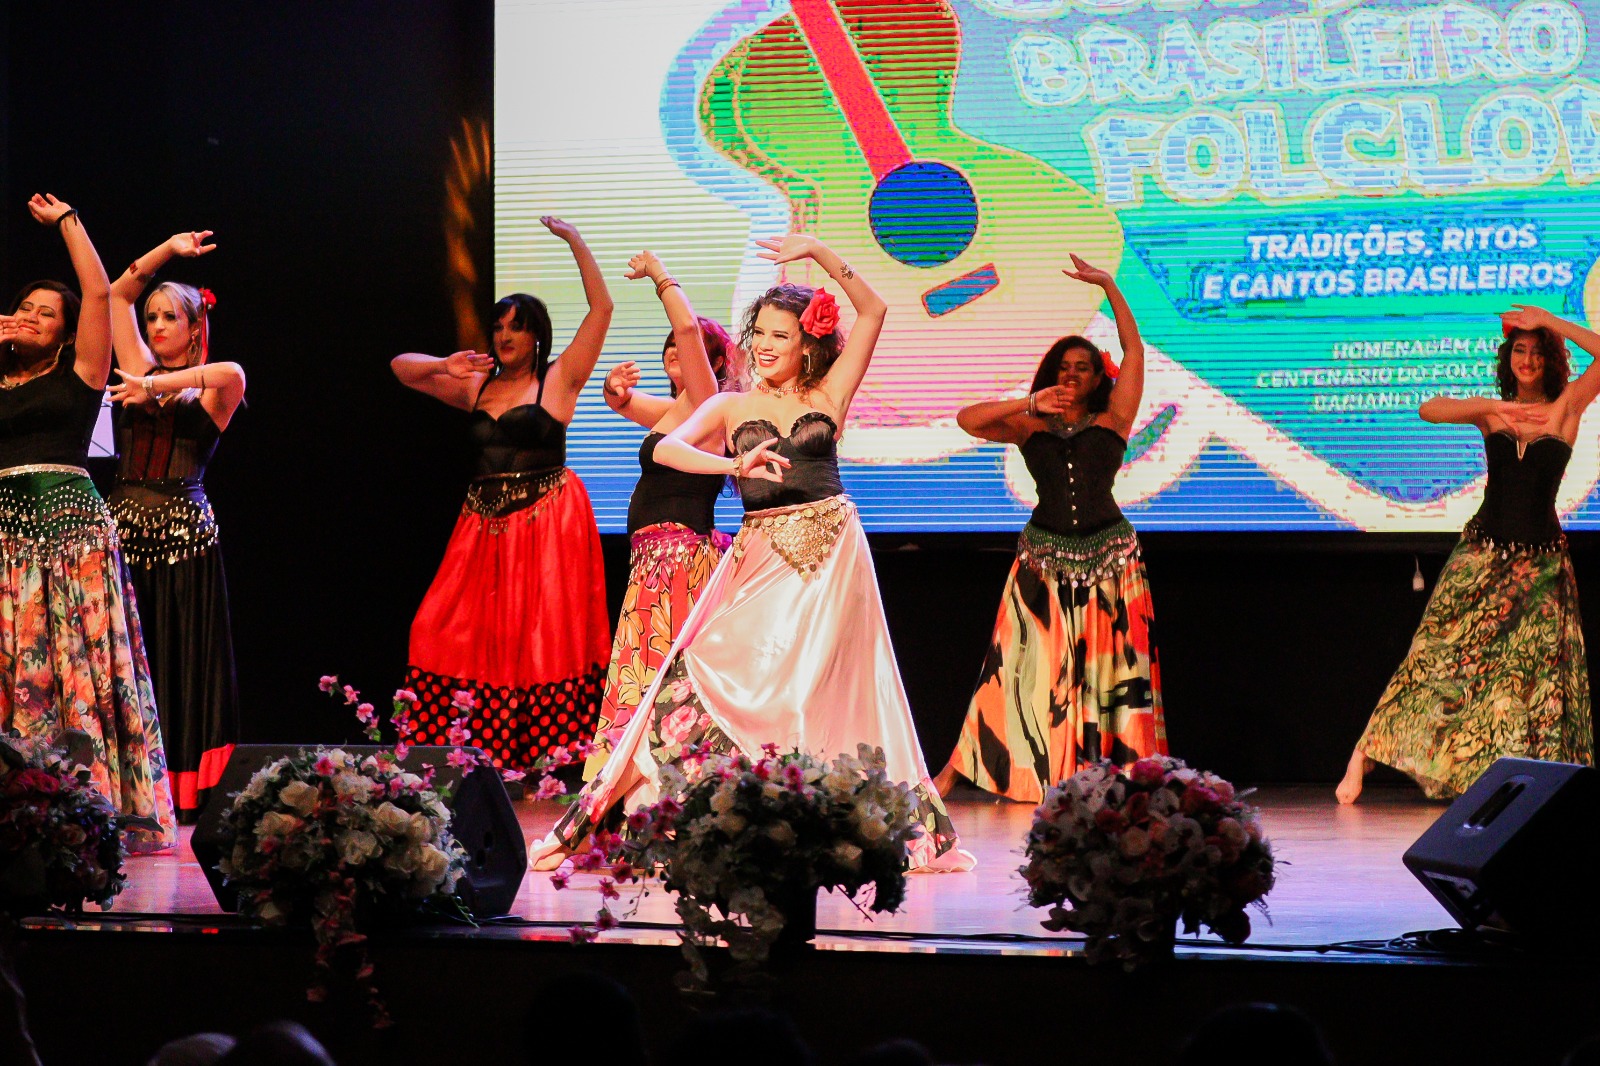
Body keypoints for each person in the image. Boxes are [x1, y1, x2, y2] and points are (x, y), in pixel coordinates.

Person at [531, 234, 971, 871]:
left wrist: (820, 251)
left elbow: (874, 310)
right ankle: (703, 811)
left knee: (817, 691)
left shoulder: (829, 395)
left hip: (831, 553)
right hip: (760, 553)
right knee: (701, 668)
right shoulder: (731, 404)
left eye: (779, 335)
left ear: (808, 344)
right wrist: (733, 464)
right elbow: (665, 449)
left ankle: (815, 817)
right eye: (758, 332)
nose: (763, 344)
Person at [1337, 305, 1597, 803]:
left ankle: (1516, 784)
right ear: (1508, 358)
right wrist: (1491, 406)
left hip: (1540, 568)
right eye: (1519, 350)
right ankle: (1363, 753)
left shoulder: (1565, 409)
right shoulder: (1493, 413)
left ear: (1550, 359)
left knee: (1532, 682)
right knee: (1432, 656)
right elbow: (1429, 409)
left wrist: (1549, 320)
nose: (1527, 360)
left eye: (1536, 352)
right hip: (1480, 557)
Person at [932, 256, 1165, 802]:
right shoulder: (1028, 424)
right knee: (1015, 669)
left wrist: (1108, 285)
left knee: (1112, 675)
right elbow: (967, 419)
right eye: (1063, 367)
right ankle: (958, 769)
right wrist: (1029, 401)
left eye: (1083, 366)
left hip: (1111, 562)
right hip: (1042, 561)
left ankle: (1114, 774)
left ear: (1098, 377)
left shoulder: (1114, 419)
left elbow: (1134, 351)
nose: (1071, 374)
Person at [392, 216, 611, 772]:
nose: (505, 336)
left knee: (540, 641)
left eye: (517, 327)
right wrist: (443, 364)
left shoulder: (558, 380)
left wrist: (576, 241)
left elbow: (601, 309)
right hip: (482, 525)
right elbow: (401, 369)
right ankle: (469, 750)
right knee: (437, 627)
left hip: (546, 520)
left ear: (537, 336)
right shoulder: (476, 384)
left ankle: (547, 758)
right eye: (498, 328)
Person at [0, 194, 175, 851]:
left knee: (69, 664)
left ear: (67, 333)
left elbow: (100, 295)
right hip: (4, 540)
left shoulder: (81, 373)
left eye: (46, 312)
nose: (30, 316)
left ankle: (80, 803)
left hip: (67, 537)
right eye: (24, 307)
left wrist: (69, 223)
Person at [105, 230, 245, 823]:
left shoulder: (213, 388)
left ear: (193, 329)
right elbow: (116, 295)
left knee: (182, 663)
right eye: (153, 317)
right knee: (125, 663)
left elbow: (230, 372)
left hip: (185, 543)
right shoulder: (138, 368)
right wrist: (167, 248)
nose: (157, 326)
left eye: (169, 317)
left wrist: (150, 386)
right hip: (122, 539)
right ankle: (124, 786)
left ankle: (184, 788)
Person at [586, 250, 742, 777]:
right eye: (668, 345)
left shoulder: (706, 400)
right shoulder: (677, 410)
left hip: (678, 558)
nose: (676, 347)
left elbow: (689, 330)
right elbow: (623, 404)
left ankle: (678, 772)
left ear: (713, 364)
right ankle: (637, 776)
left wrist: (659, 275)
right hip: (654, 560)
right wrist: (613, 389)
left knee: (665, 667)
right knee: (647, 664)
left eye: (686, 345)